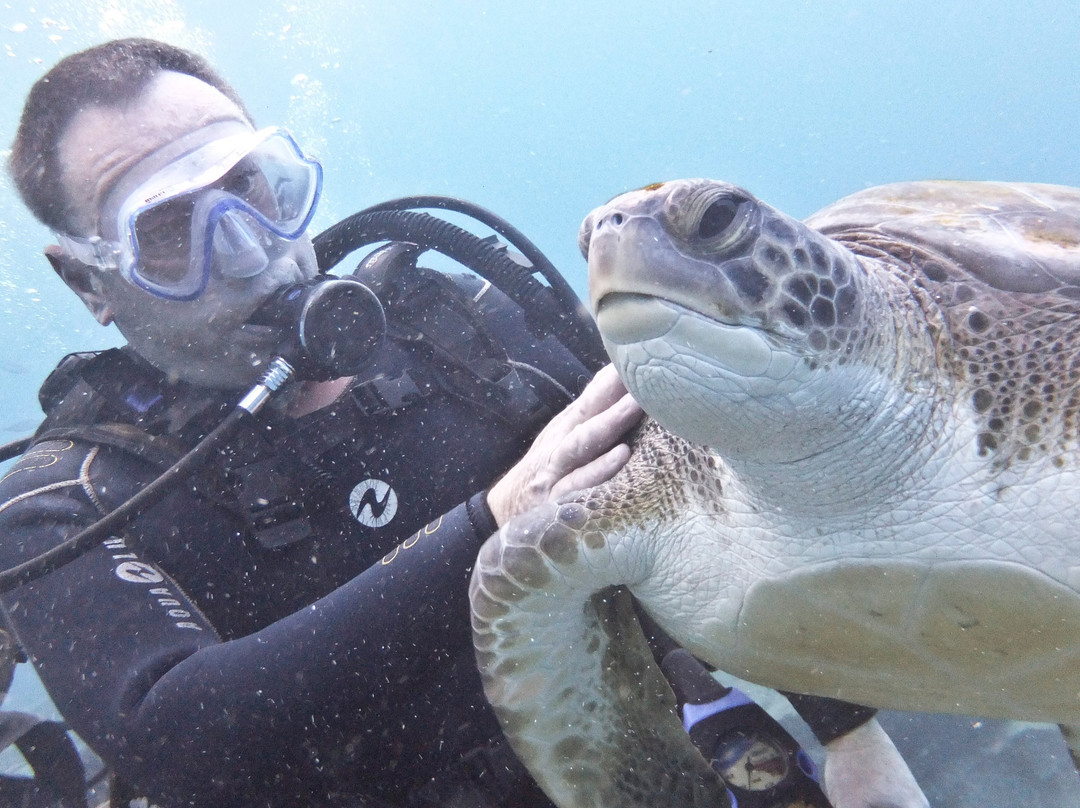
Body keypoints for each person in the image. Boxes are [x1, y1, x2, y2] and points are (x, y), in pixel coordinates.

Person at [0, 38, 925, 808]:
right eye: (169, 233)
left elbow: (704, 482)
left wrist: (851, 735)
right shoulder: (65, 503)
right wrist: (496, 525)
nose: (246, 249)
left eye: (256, 187)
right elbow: (181, 738)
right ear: (87, 280)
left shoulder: (456, 324)